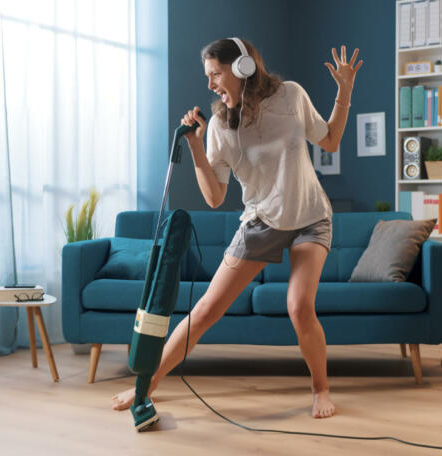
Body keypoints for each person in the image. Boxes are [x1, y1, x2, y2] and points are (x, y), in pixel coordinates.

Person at [113, 37, 362, 419]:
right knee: (206, 310)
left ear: (243, 67)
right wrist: (197, 149)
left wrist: (344, 91)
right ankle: (146, 386)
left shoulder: (291, 96)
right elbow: (214, 197)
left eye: (216, 74)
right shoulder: (219, 125)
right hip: (261, 222)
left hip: (310, 217)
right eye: (208, 76)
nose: (211, 84)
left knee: (299, 306)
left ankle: (321, 389)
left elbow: (330, 139)